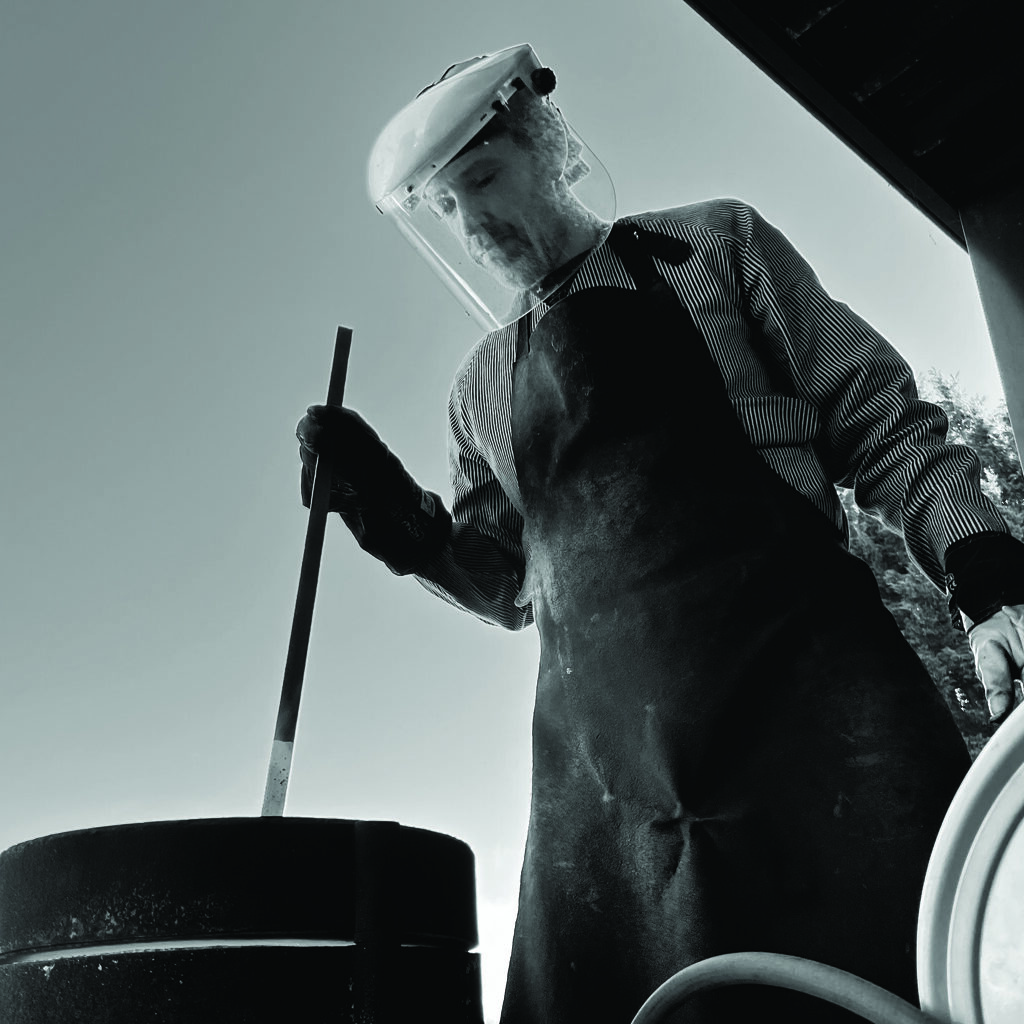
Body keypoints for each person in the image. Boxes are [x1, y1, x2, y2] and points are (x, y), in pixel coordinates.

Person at [297, 45, 1024, 1023]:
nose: (471, 223)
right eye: (445, 207)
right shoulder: (477, 393)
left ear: (544, 144)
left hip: (826, 741)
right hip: (614, 813)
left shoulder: (713, 248)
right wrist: (394, 520)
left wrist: (987, 580)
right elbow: (509, 587)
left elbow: (883, 426)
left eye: (481, 178)